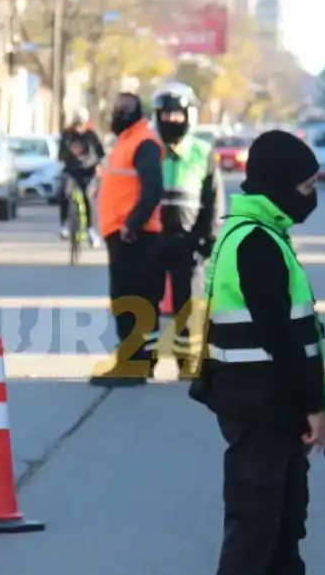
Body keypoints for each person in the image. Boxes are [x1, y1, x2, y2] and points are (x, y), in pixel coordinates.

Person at [187, 129, 325, 575]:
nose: (311, 195)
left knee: (283, 524)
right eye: (306, 185)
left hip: (269, 405)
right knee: (255, 523)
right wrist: (313, 408)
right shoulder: (255, 242)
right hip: (259, 407)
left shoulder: (264, 234)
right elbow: (280, 339)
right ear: (279, 185)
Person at [89, 92, 166, 387]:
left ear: (138, 111)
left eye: (125, 108)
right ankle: (140, 360)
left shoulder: (143, 142)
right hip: (123, 234)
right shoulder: (126, 141)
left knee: (130, 301)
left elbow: (152, 189)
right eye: (117, 107)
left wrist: (132, 224)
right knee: (135, 299)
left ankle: (133, 364)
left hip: (134, 236)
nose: (118, 112)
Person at [149, 83, 223, 379]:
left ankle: (188, 362)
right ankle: (145, 361)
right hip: (152, 239)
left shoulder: (202, 152)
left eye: (177, 114)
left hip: (189, 240)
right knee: (146, 302)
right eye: (165, 114)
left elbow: (213, 199)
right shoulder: (149, 150)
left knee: (188, 305)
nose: (171, 120)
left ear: (189, 116)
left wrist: (208, 237)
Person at [56, 109, 106, 246]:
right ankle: (64, 225)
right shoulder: (67, 134)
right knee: (63, 193)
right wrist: (66, 157)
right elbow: (61, 154)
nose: (79, 127)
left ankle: (90, 230)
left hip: (89, 172)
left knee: (87, 197)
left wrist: (98, 166)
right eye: (76, 123)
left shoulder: (92, 135)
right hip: (71, 171)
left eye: (81, 123)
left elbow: (101, 153)